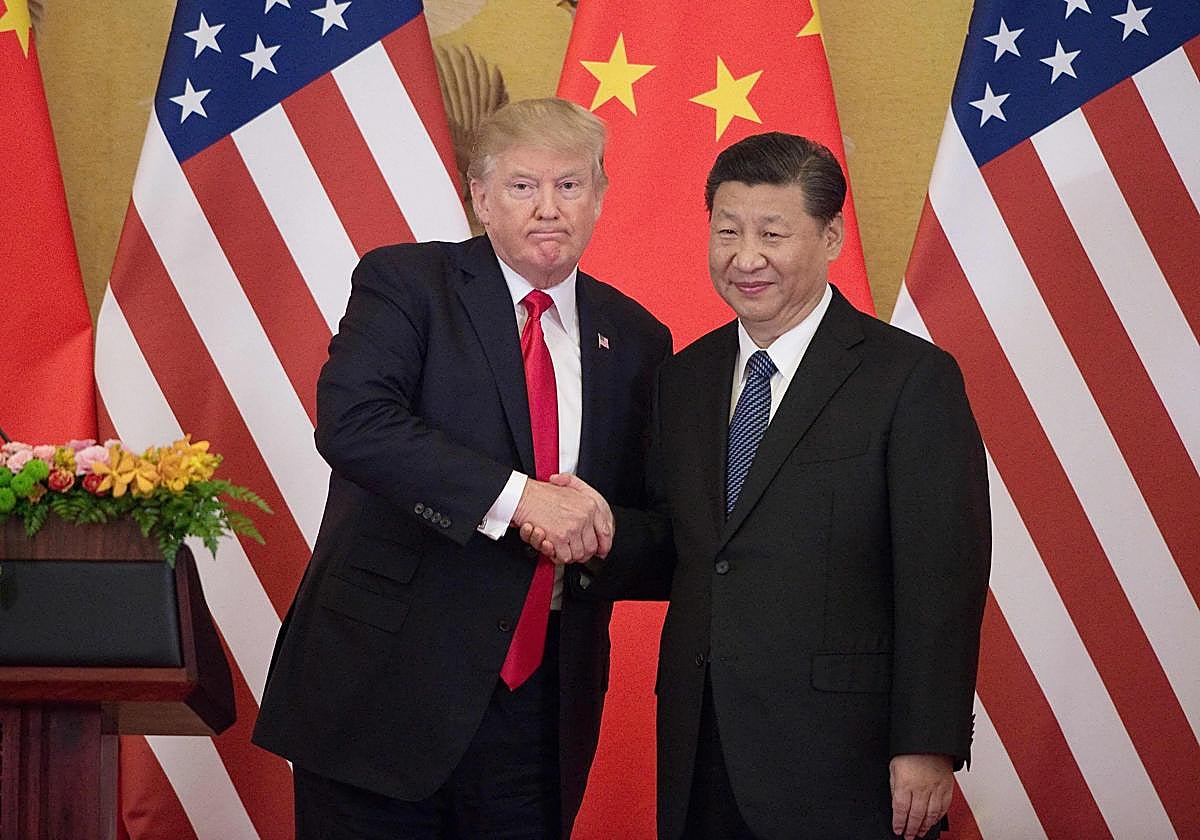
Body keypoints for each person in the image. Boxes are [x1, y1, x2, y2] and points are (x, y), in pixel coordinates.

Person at [529, 132, 991, 839]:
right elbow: (685, 547)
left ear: (831, 234)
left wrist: (926, 743)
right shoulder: (684, 378)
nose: (746, 259)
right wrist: (606, 529)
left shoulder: (909, 378)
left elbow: (942, 576)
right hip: (700, 736)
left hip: (845, 753)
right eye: (727, 233)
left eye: (773, 233)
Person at [252, 97, 671, 839]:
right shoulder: (408, 284)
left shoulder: (636, 337)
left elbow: (653, 525)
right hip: (381, 695)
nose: (549, 208)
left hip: (539, 719)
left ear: (600, 195)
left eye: (570, 185)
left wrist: (606, 529)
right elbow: (354, 424)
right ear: (480, 196)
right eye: (522, 186)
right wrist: (519, 501)